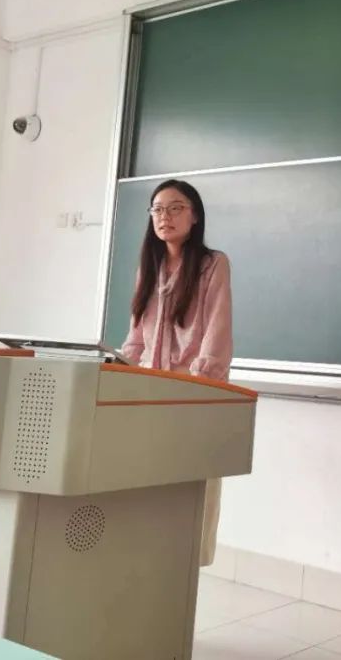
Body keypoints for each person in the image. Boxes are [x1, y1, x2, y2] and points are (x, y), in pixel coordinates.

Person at [121, 179, 232, 567]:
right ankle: (149, 568)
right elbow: (136, 339)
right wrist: (119, 372)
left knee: (192, 492)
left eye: (175, 208)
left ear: (194, 215)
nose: (164, 216)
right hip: (150, 397)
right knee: (149, 493)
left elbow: (216, 336)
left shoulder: (212, 264)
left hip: (193, 397)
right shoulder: (149, 268)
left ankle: (183, 575)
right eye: (157, 209)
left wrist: (195, 390)